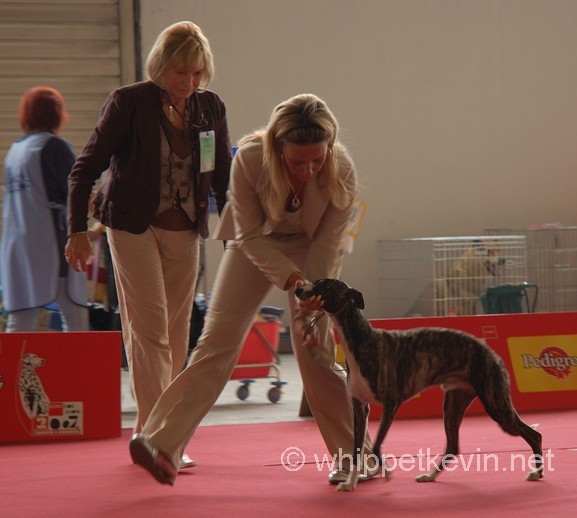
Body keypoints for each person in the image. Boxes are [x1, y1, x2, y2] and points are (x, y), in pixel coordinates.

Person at [129, 93, 375, 487]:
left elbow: (328, 244)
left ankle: (359, 457)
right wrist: (292, 281)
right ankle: (160, 444)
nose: (310, 169)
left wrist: (313, 294)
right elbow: (247, 235)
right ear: (278, 147)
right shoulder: (249, 159)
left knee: (316, 353)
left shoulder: (341, 169)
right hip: (254, 245)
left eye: (318, 159)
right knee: (216, 344)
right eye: (298, 161)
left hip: (314, 253)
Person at [64, 21, 232, 469]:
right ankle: (157, 435)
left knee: (177, 336)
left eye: (197, 73)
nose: (189, 82)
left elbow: (223, 176)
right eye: (181, 73)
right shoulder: (129, 102)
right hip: (132, 227)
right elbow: (85, 168)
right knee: (151, 329)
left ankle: (156, 428)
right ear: (162, 66)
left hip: (186, 229)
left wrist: (237, 226)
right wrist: (77, 230)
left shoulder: (210, 108)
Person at [0, 86, 89, 332]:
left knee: (20, 318)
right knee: (75, 314)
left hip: (18, 248)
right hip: (50, 248)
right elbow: (75, 194)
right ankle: (77, 369)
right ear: (57, 114)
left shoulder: (16, 151)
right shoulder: (54, 147)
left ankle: (12, 369)